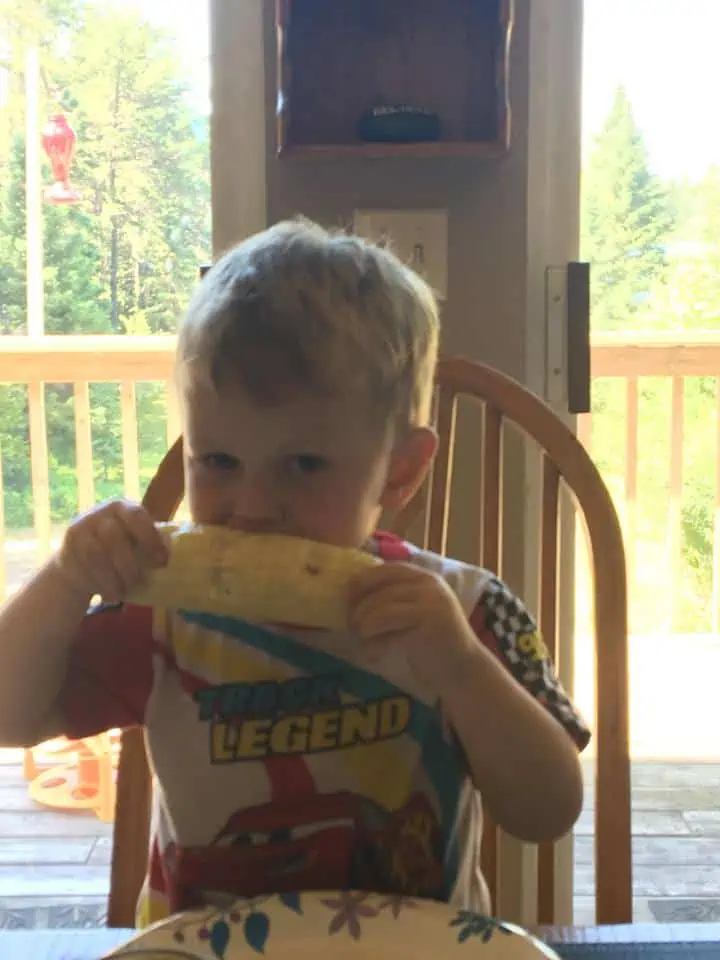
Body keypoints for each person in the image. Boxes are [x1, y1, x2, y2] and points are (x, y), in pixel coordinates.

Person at [0, 219, 588, 925]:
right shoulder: (163, 622)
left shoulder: (464, 611)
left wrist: (462, 669)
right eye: (218, 462)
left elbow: (548, 810)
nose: (251, 507)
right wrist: (67, 577)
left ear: (398, 471)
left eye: (304, 465)